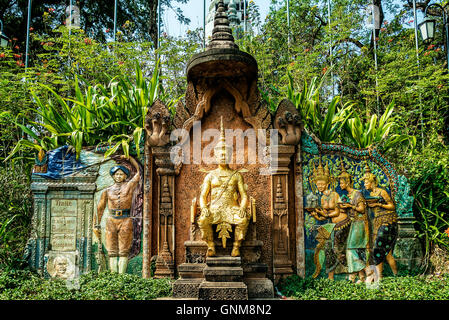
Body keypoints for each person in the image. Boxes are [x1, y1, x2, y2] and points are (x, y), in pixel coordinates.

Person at [197, 117, 251, 257]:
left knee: (243, 219)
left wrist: (242, 208)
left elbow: (244, 195)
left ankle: (236, 246)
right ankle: (211, 246)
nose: (223, 155)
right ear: (215, 155)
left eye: (225, 153)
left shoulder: (236, 175)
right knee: (203, 220)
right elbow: (203, 196)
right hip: (214, 208)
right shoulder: (210, 175)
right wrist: (203, 208)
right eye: (220, 153)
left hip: (231, 208)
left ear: (230, 155)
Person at [95, 155, 141, 274]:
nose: (119, 176)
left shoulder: (129, 186)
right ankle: (113, 276)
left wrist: (130, 159)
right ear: (113, 176)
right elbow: (100, 208)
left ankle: (121, 277)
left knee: (123, 250)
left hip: (125, 220)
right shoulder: (107, 191)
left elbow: (139, 173)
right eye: (116, 174)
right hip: (111, 221)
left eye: (121, 174)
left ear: (125, 176)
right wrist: (96, 224)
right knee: (112, 250)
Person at [309, 158, 350, 280]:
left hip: (343, 223)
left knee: (338, 248)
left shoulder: (334, 194)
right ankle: (330, 276)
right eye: (318, 185)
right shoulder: (321, 198)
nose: (320, 186)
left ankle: (352, 273)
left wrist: (325, 215)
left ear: (327, 183)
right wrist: (315, 214)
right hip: (333, 225)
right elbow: (323, 215)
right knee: (328, 248)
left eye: (322, 184)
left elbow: (337, 211)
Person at [364, 164, 398, 282]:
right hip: (378, 222)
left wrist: (379, 204)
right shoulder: (371, 195)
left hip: (388, 222)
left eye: (366, 182)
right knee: (386, 253)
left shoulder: (381, 192)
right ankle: (396, 275)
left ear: (372, 182)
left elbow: (392, 206)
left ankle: (380, 277)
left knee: (377, 249)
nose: (365, 185)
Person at [337, 163, 369, 283]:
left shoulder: (357, 193)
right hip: (354, 223)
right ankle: (361, 277)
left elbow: (361, 209)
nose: (340, 185)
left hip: (360, 223)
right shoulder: (348, 195)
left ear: (347, 182)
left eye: (341, 182)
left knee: (351, 249)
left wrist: (351, 205)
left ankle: (357, 275)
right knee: (354, 249)